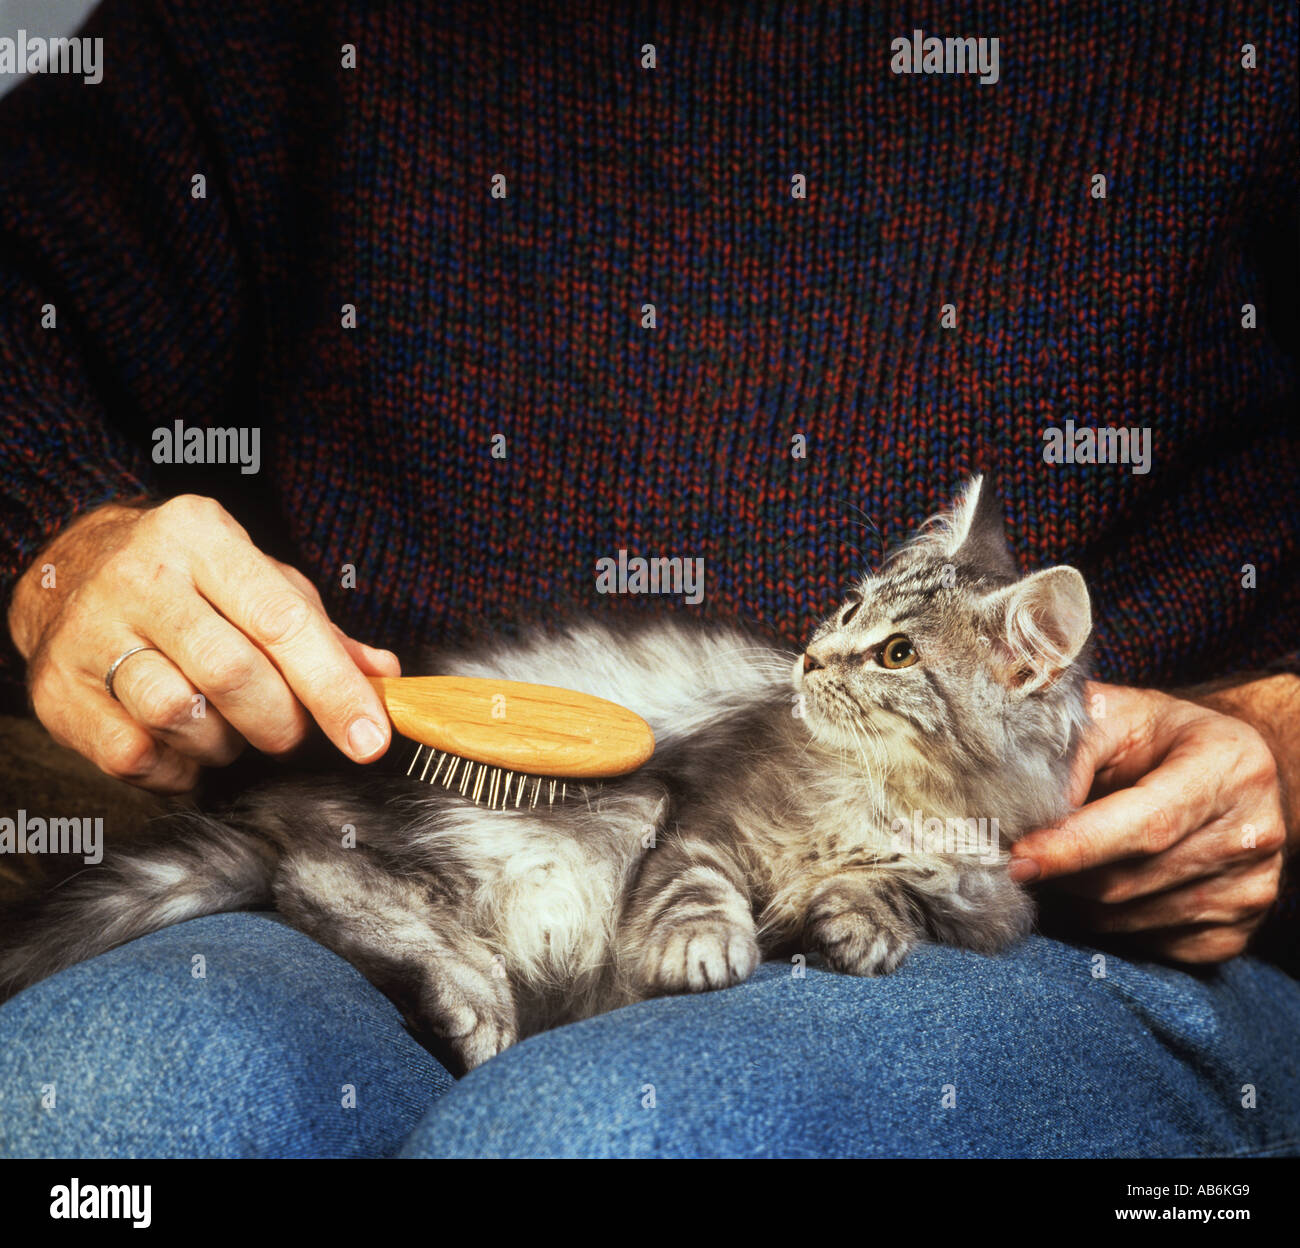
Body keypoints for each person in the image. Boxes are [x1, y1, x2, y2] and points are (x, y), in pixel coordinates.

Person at [0, 0, 1296, 1158]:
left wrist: (1277, 740)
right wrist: (58, 542)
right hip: (407, 829)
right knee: (112, 1095)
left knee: (603, 1135)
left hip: (1054, 927)